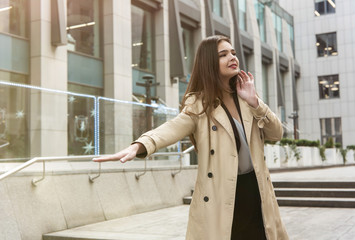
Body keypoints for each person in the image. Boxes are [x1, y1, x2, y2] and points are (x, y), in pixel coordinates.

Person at [93, 35, 289, 240]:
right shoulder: (199, 104)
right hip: (220, 195)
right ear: (209, 63)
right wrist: (141, 144)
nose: (232, 57)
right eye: (223, 54)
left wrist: (255, 102)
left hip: (256, 190)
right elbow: (172, 128)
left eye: (233, 53)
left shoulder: (246, 96)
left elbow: (276, 134)